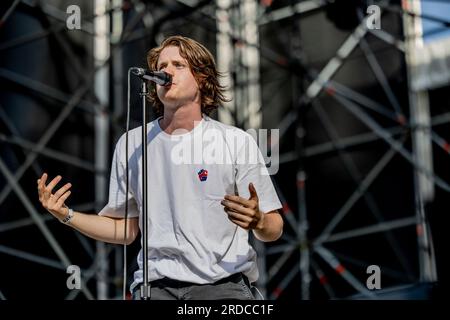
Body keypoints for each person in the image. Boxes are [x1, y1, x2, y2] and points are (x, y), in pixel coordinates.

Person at [37, 35, 283, 300]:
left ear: (202, 78)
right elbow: (126, 230)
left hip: (222, 287)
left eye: (178, 64)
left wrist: (258, 220)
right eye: (161, 65)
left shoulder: (235, 141)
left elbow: (274, 227)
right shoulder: (132, 143)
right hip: (154, 288)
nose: (165, 71)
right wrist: (67, 215)